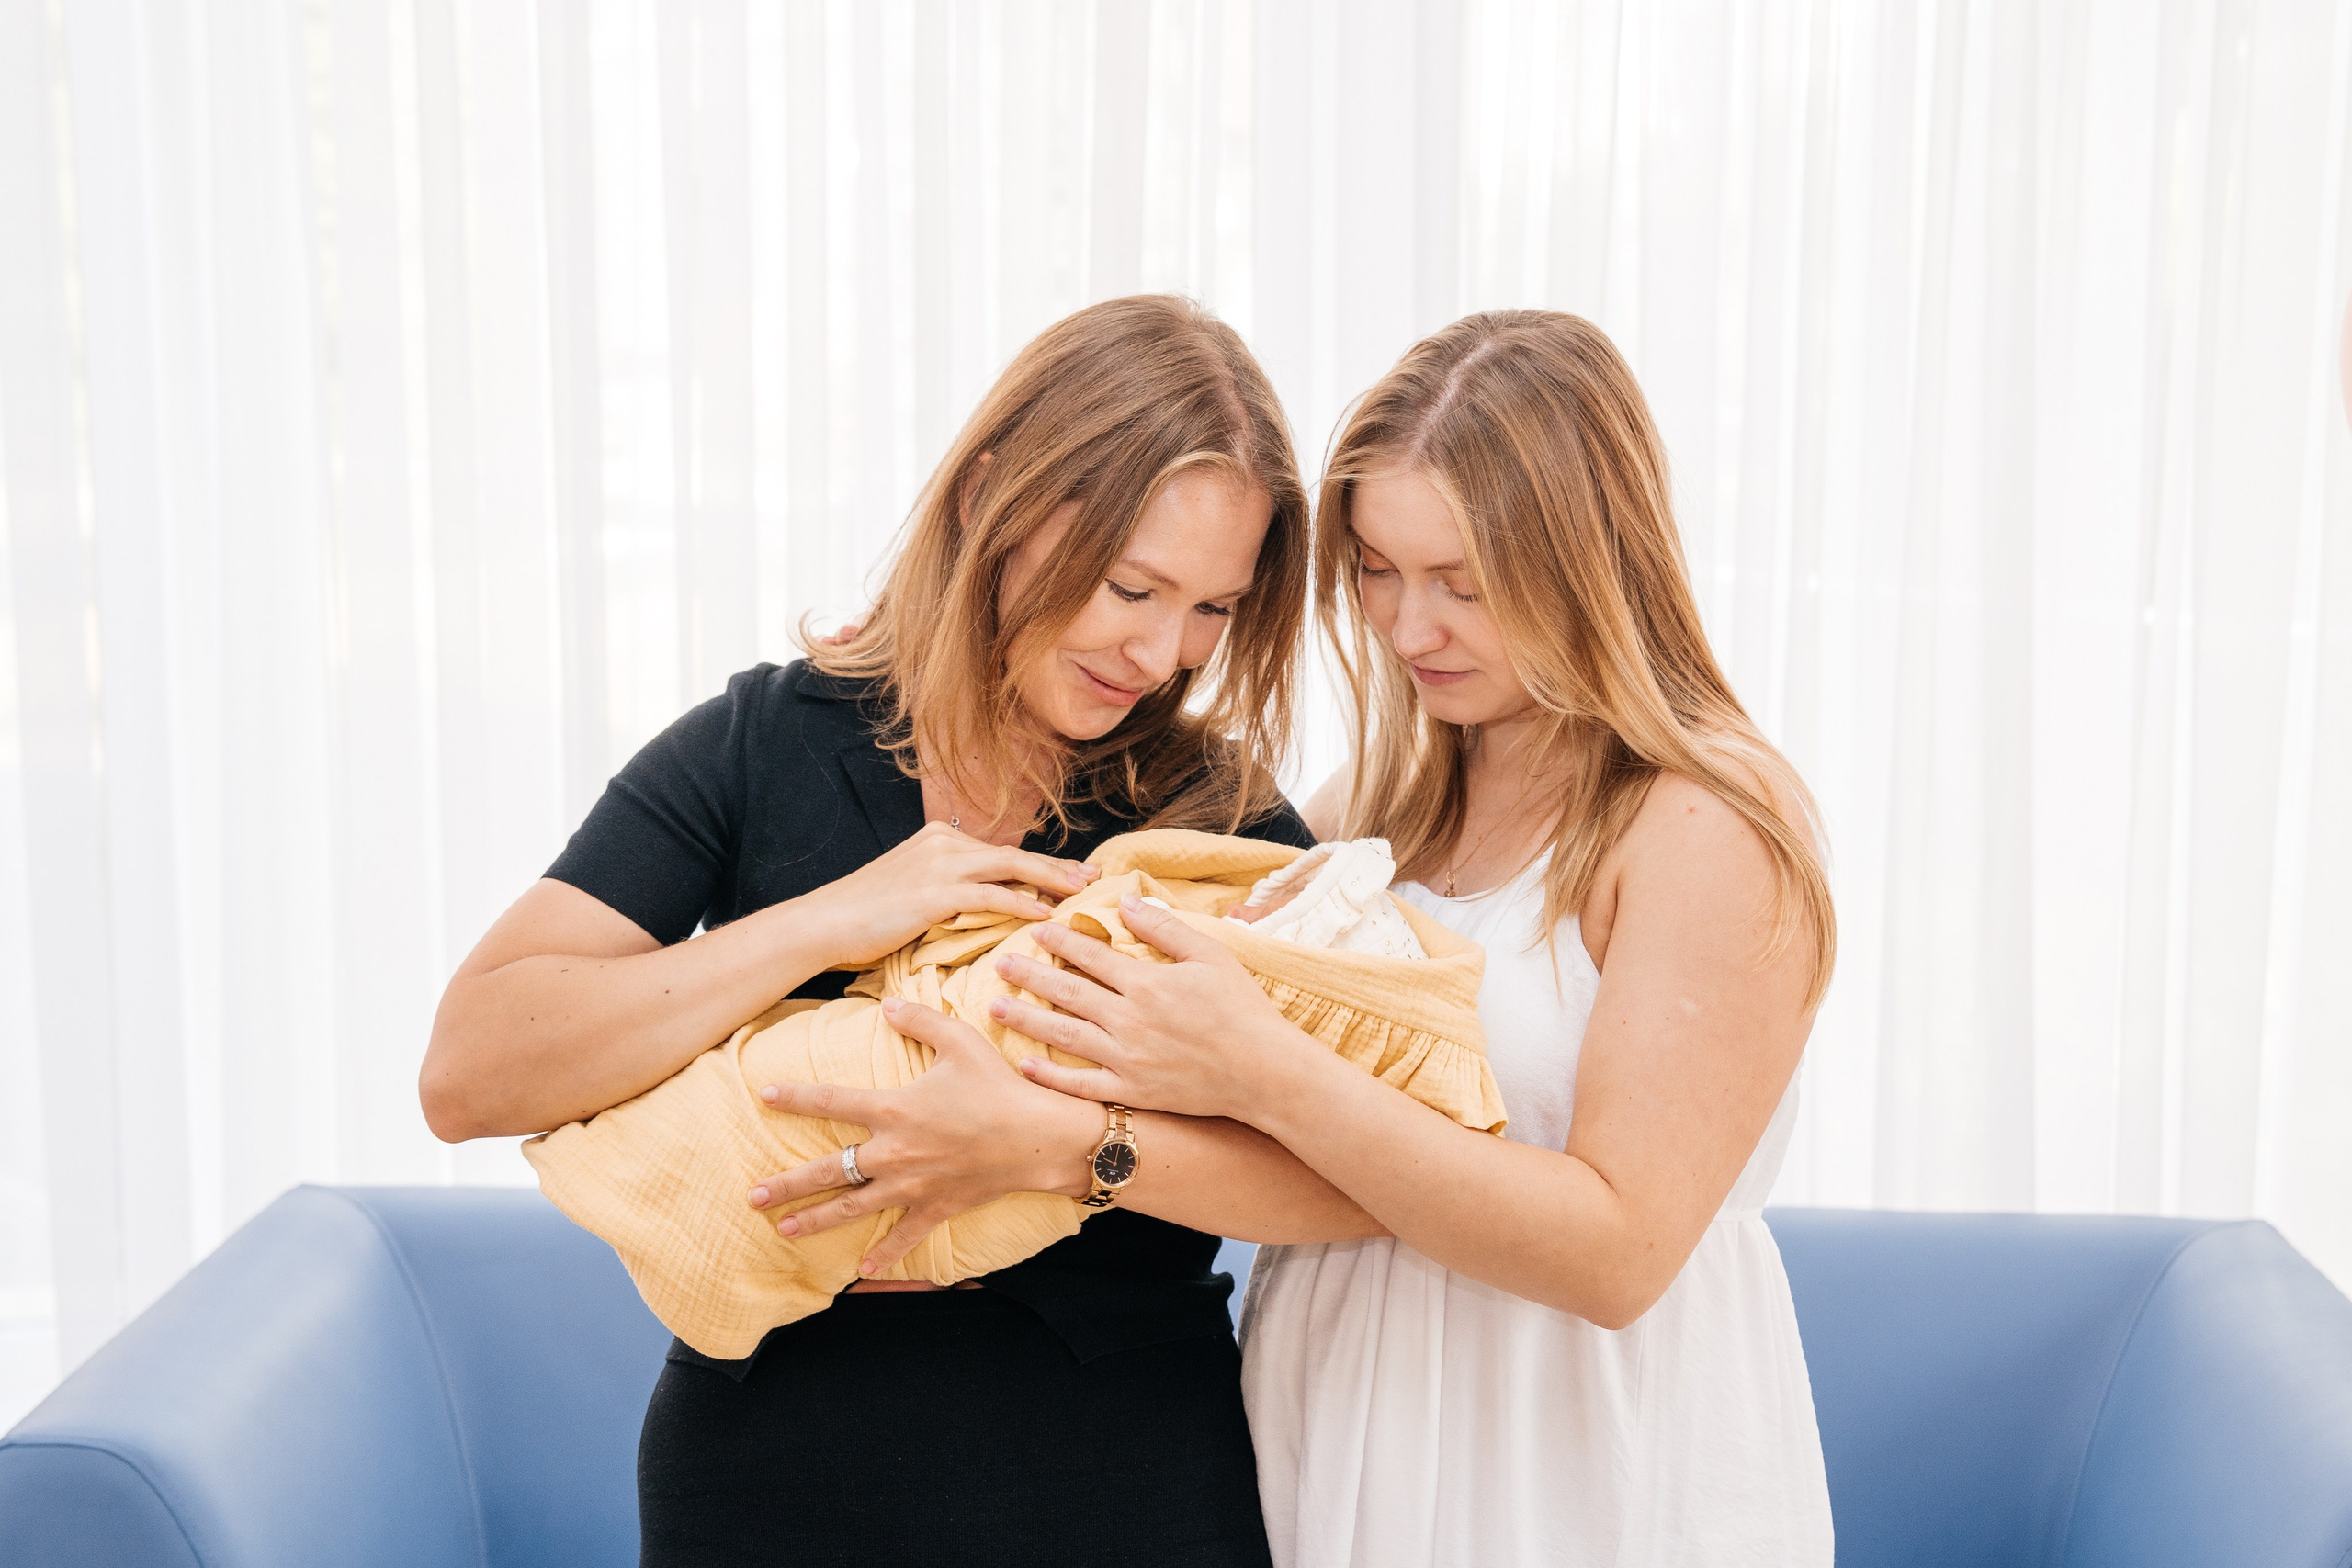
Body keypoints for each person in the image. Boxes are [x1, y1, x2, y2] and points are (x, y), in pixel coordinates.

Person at [419, 295, 1378, 1568]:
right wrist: (834, 919)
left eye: (1212, 609)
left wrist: (1073, 1150)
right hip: (764, 1481)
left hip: (1119, 1478)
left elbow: (1365, 1178)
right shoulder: (766, 745)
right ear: (990, 498)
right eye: (1131, 584)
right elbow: (472, 1071)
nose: (1162, 652)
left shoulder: (1216, 824)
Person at [974, 310, 1840, 1564]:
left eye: (1465, 585)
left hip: (1578, 1473)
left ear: (1593, 564)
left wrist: (1260, 1069)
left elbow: (1617, 1253)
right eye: (1378, 567)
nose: (1405, 625)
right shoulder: (1361, 815)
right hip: (1337, 1450)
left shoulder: (1703, 826)